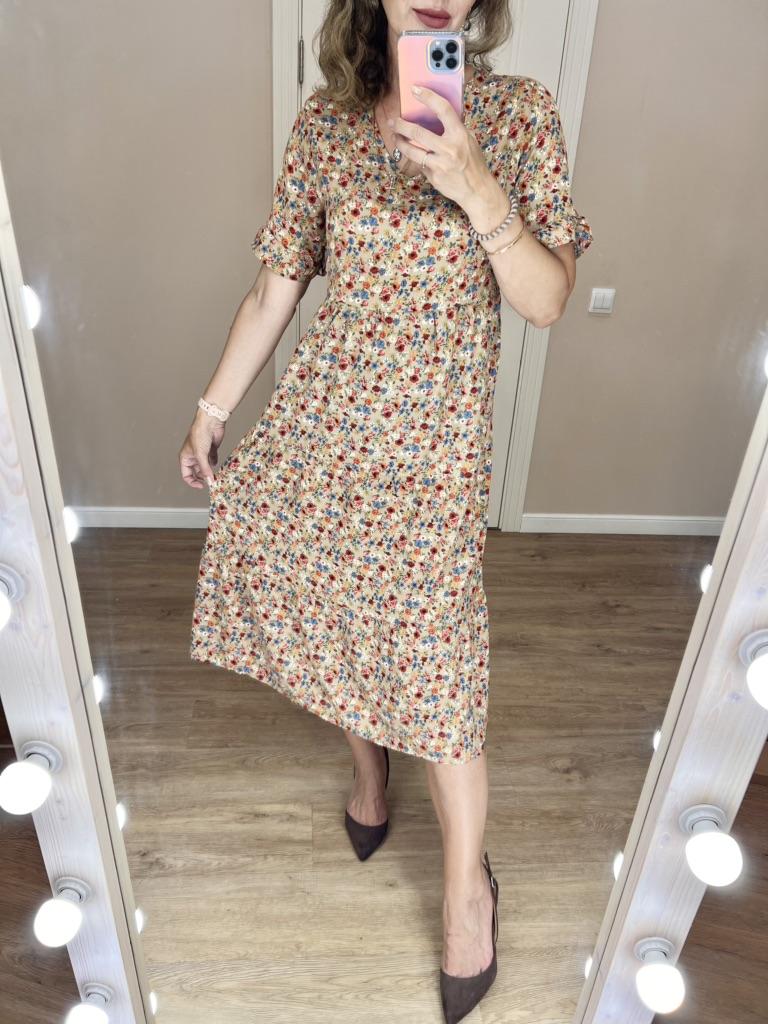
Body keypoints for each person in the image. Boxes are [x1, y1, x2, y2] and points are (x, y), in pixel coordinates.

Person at [181, 1, 593, 1020]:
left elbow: (546, 300)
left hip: (434, 459)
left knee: (440, 672)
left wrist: (474, 183)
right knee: (333, 613)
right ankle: (370, 776)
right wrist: (212, 410)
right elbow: (276, 287)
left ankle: (465, 897)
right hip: (327, 432)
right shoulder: (325, 124)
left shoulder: (520, 115)